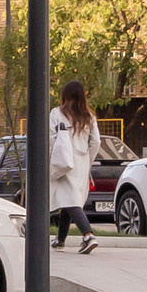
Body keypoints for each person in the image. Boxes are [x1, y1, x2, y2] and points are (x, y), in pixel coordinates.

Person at [47, 79, 99, 253]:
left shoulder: (57, 113)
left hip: (63, 160)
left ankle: (88, 235)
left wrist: (50, 158)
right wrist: (88, 160)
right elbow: (96, 141)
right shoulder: (89, 116)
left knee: (70, 200)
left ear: (65, 94)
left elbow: (51, 139)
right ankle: (60, 240)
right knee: (68, 199)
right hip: (82, 160)